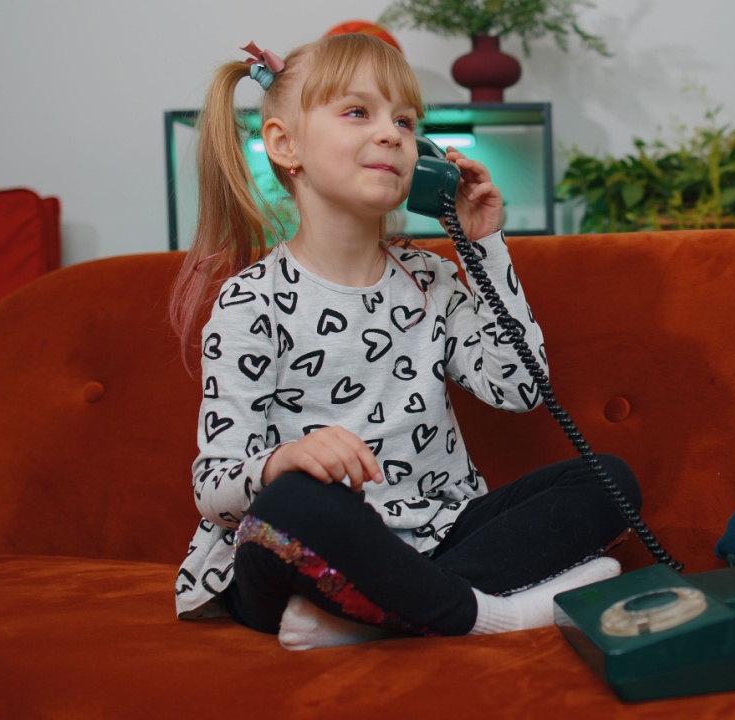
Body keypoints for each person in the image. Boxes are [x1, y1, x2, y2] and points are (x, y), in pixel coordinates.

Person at [168, 33, 639, 650]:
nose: (392, 133)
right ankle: (489, 613)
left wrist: (482, 246)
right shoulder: (249, 303)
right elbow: (215, 488)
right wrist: (284, 461)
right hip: (308, 546)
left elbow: (521, 387)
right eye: (358, 112)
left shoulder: (430, 278)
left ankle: (370, 616)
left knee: (610, 481)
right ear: (284, 144)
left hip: (435, 533)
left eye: (406, 121)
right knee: (300, 504)